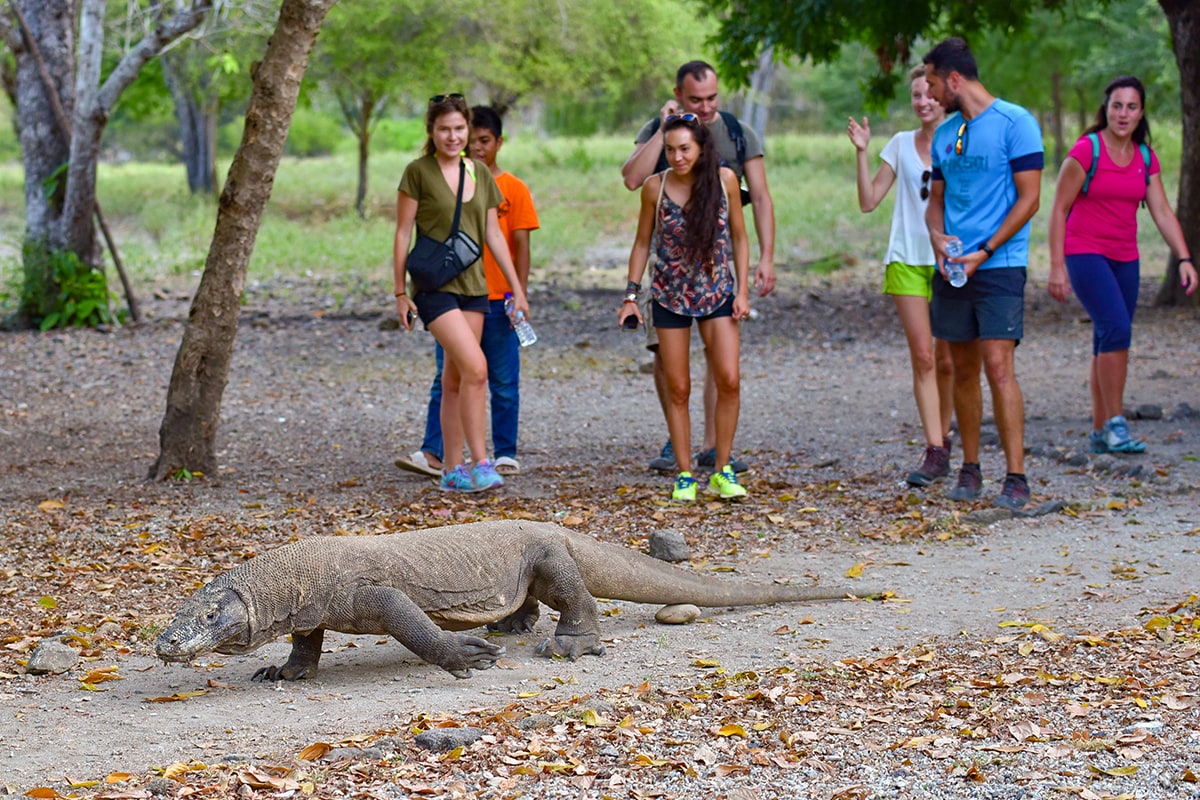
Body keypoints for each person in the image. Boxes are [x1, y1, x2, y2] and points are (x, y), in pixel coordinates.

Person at [621, 60, 776, 475]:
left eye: (712, 99)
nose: (705, 107)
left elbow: (757, 203)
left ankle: (714, 450)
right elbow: (633, 181)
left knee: (725, 372)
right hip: (668, 285)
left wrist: (761, 264)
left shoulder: (735, 143)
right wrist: (665, 128)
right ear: (679, 95)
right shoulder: (659, 152)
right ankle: (681, 452)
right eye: (696, 100)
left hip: (716, 284)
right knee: (673, 374)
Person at [922, 37, 1044, 510]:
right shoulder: (945, 135)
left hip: (1001, 264)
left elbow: (1030, 200)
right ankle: (969, 469)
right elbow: (935, 202)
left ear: (954, 79)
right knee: (962, 369)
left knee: (998, 366)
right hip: (954, 269)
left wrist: (986, 250)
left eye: (933, 83)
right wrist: (937, 238)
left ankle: (1016, 477)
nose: (930, 94)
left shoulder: (1017, 123)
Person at [1047, 76, 1197, 454]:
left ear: (1141, 112)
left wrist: (1184, 257)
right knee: (1116, 329)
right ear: (1106, 109)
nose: (1123, 114)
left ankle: (1100, 430)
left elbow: (1162, 211)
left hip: (1126, 257)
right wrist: (1056, 267)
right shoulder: (1087, 150)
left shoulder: (1145, 158)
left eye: (1131, 107)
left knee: (1107, 336)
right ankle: (1116, 423)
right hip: (1084, 252)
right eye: (1117, 106)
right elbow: (1058, 209)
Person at [393, 95, 530, 493]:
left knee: (455, 378)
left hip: (474, 287)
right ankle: (481, 462)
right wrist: (400, 292)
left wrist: (517, 289)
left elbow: (493, 234)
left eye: (458, 129)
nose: (452, 136)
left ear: (467, 130)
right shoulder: (418, 172)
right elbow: (402, 233)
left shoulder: (479, 173)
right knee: (477, 369)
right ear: (431, 131)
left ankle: (453, 470)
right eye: (444, 129)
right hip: (435, 288)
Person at [619, 114, 751, 502]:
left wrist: (742, 291)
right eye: (671, 150)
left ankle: (723, 469)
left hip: (717, 292)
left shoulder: (725, 181)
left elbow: (740, 237)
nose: (678, 157)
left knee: (729, 378)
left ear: (701, 148)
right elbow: (642, 242)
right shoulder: (655, 187)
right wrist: (630, 295)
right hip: (669, 295)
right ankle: (685, 474)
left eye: (685, 149)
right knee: (678, 387)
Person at [848, 66, 956, 487]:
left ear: (945, 97)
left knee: (948, 359)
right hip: (907, 259)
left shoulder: (961, 140)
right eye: (916, 95)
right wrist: (861, 151)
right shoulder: (899, 144)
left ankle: (946, 436)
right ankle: (935, 448)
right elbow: (868, 201)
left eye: (930, 94)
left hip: (949, 260)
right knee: (924, 357)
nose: (923, 102)